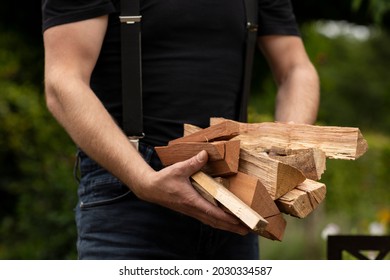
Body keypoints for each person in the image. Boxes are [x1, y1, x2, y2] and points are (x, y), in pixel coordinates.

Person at [41, 0, 320, 259]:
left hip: (233, 190)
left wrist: (285, 149)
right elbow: (63, 80)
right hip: (127, 197)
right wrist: (142, 179)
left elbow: (296, 69)